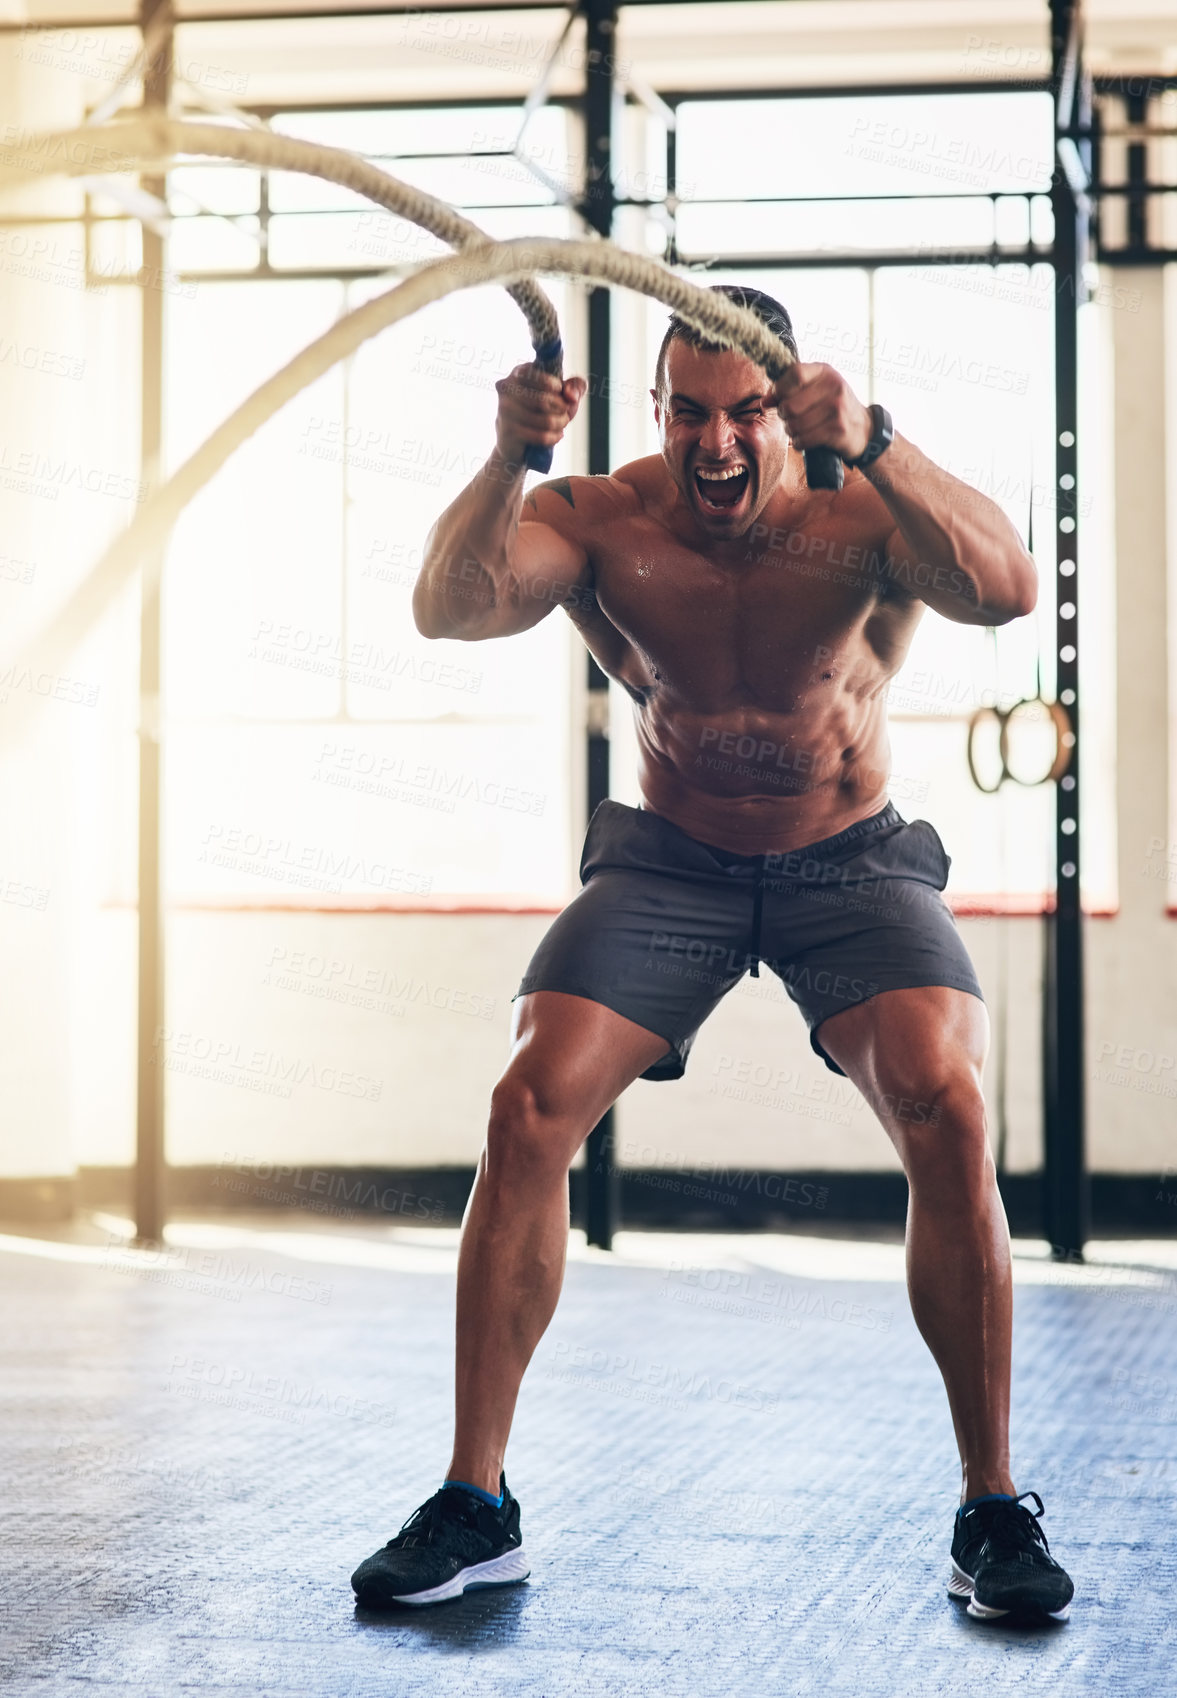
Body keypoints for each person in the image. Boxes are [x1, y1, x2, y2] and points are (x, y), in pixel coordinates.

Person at [350, 285, 1074, 1624]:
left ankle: (989, 1504)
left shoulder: (859, 506)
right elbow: (450, 609)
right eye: (690, 412)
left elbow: (1008, 588)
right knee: (525, 1107)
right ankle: (475, 1497)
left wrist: (878, 435)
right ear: (656, 413)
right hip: (668, 856)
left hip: (845, 859)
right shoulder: (596, 518)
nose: (719, 443)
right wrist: (507, 455)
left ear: (787, 410)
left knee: (947, 1099)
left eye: (746, 413)